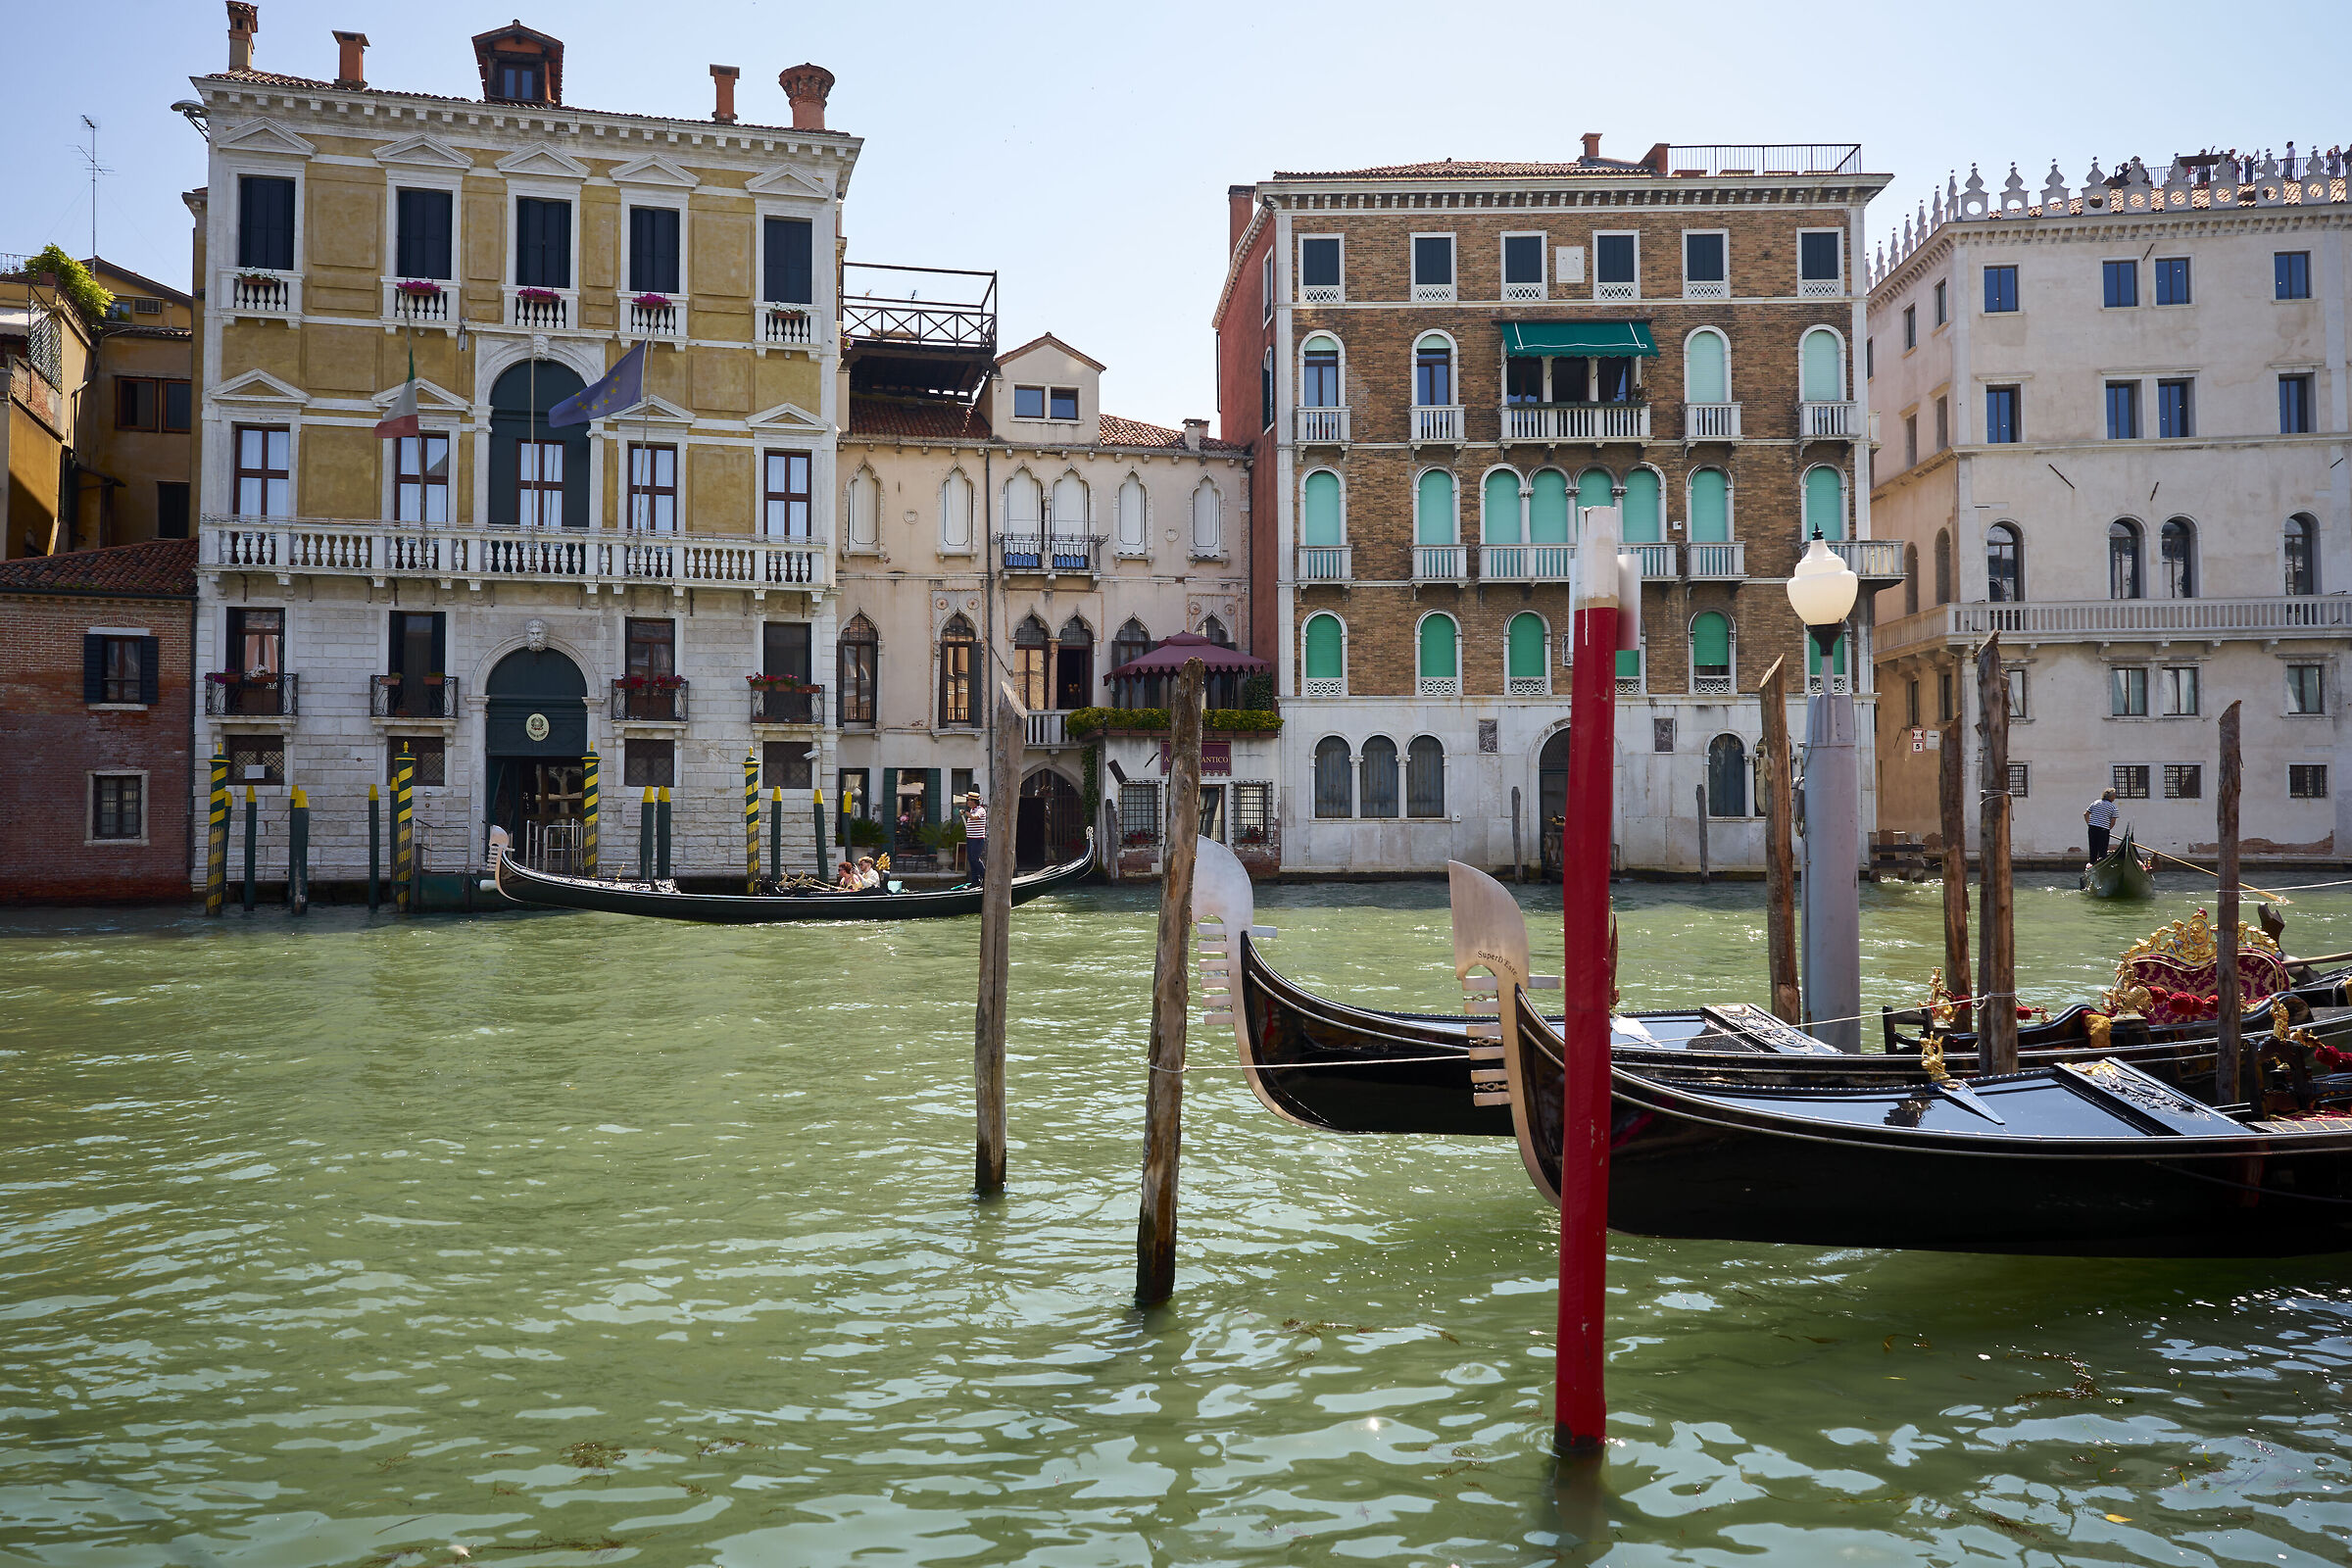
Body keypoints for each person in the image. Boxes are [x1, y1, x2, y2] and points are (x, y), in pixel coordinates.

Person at [960, 791, 989, 886]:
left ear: (973, 801)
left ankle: (986, 877)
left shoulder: (980, 810)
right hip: (971, 838)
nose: (967, 802)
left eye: (968, 800)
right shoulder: (972, 810)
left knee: (975, 858)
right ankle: (975, 880)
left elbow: (975, 817)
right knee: (971, 859)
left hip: (977, 839)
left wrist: (965, 813)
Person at [2084, 789, 2119, 863]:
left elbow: (2086, 814)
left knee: (2093, 848)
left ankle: (2092, 863)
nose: (2115, 797)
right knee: (2102, 850)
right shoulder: (2113, 807)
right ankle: (2101, 863)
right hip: (2103, 830)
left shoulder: (2095, 802)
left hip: (2092, 828)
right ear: (2111, 797)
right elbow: (2113, 822)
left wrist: (2090, 825)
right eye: (2114, 796)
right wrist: (2107, 829)